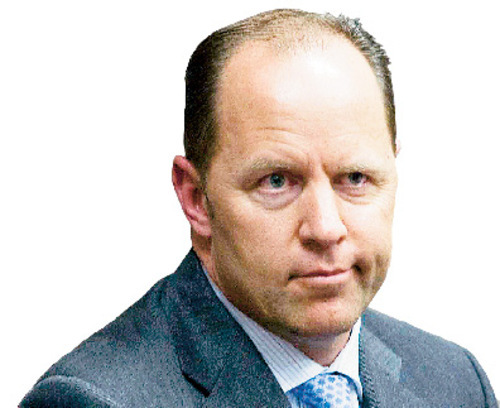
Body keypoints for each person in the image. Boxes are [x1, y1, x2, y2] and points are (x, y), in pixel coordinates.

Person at [20, 8, 497, 408]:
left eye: (355, 178)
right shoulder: (93, 399)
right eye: (276, 181)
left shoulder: (456, 382)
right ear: (195, 198)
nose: (326, 228)